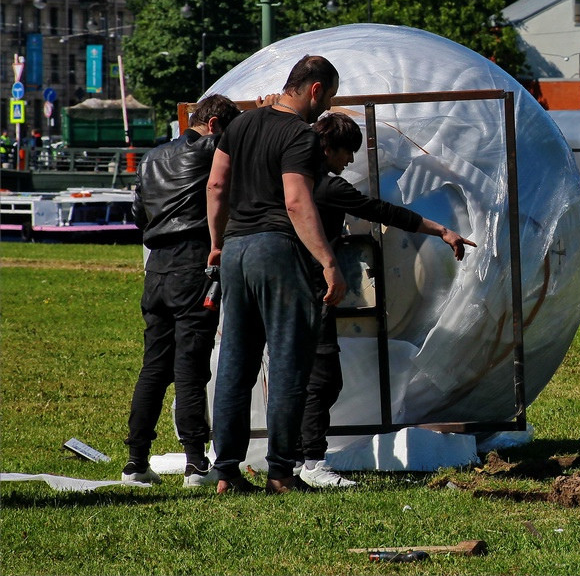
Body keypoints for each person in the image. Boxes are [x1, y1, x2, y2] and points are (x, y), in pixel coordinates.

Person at [298, 112, 475, 487]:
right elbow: (383, 211)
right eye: (346, 153)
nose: (349, 162)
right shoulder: (328, 187)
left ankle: (289, 456)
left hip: (269, 283)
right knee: (323, 378)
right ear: (328, 147)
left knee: (293, 375)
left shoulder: (287, 179)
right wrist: (441, 229)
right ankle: (311, 461)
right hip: (310, 290)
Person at [207, 55, 347, 495]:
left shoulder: (240, 125)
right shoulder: (300, 136)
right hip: (277, 249)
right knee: (288, 362)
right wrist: (327, 261)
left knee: (235, 362)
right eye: (330, 99)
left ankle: (226, 472)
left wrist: (216, 241)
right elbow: (296, 202)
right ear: (315, 90)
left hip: (234, 249)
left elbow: (215, 185)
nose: (326, 109)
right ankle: (282, 472)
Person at [121, 94, 240, 486]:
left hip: (156, 268)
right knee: (191, 368)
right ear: (216, 125)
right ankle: (195, 463)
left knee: (153, 368)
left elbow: (139, 213)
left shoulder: (152, 158)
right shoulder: (212, 148)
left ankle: (136, 462)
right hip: (193, 265)